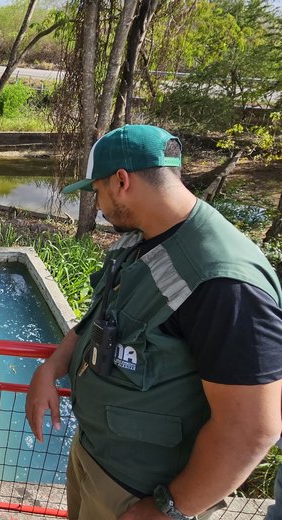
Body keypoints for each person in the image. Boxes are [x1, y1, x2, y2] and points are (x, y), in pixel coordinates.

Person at [25, 125, 282, 520]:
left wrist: (166, 509)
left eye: (97, 191)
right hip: (97, 459)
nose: (98, 203)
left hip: (142, 494)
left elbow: (251, 429)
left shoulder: (223, 282)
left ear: (121, 181)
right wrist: (52, 366)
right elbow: (98, 319)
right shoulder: (141, 238)